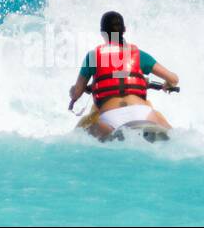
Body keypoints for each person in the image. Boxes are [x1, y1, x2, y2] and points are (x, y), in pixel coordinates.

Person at [68, 11, 178, 139]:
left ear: (102, 33)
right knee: (164, 125)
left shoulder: (93, 56)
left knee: (79, 134)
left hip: (110, 119)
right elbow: (174, 79)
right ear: (124, 30)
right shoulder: (139, 55)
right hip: (143, 114)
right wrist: (167, 85)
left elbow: (76, 93)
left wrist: (73, 91)